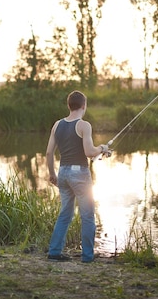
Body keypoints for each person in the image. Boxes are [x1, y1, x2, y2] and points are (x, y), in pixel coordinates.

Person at [46, 90, 111, 263]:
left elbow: (48, 152)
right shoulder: (84, 125)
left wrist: (52, 174)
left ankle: (54, 252)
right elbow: (90, 152)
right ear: (84, 106)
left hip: (63, 172)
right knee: (88, 216)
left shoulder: (57, 125)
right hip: (80, 174)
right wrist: (102, 149)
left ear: (69, 105)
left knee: (65, 214)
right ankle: (88, 256)